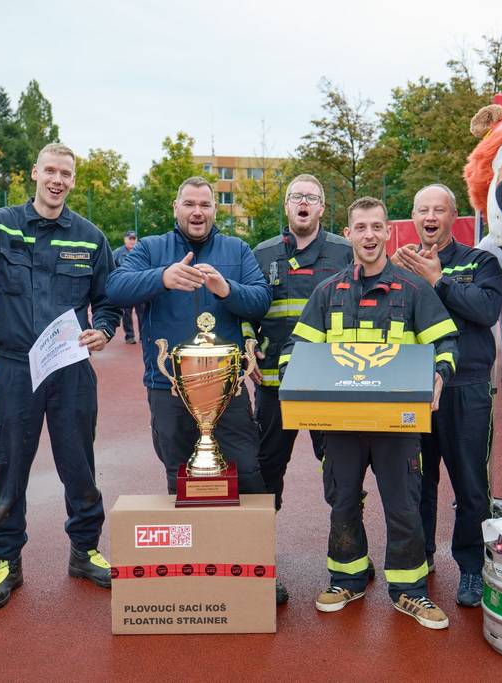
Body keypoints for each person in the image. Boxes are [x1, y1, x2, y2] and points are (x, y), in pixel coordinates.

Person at [0, 137, 121, 610]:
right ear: (35, 174)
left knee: (79, 464)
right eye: (50, 171)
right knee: (11, 464)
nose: (57, 180)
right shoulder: (3, 224)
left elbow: (107, 299)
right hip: (17, 369)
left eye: (66, 173)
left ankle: (85, 550)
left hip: (71, 368)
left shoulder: (90, 236)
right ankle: (7, 560)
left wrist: (103, 329)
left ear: (73, 181)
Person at [279, 197, 459, 630]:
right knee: (342, 501)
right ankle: (347, 578)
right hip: (341, 426)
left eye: (377, 226)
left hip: (397, 425)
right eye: (361, 228)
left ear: (388, 232)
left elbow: (446, 343)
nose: (370, 235)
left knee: (403, 505)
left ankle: (410, 589)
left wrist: (439, 376)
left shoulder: (414, 289)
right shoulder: (328, 292)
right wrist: (295, 380)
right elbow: (295, 350)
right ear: (349, 234)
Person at [106, 177, 278, 599]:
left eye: (205, 204)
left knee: (247, 471)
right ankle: (195, 570)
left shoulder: (237, 250)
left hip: (228, 387)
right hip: (167, 386)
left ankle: (256, 568)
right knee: (180, 475)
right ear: (176, 207)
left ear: (215, 210)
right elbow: (115, 288)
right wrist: (162, 277)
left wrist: (226, 289)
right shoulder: (150, 249)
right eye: (189, 204)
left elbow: (260, 301)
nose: (197, 212)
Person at [392, 183, 502, 607]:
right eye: (423, 210)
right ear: (414, 217)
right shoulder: (400, 263)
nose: (430, 217)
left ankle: (473, 567)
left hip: (466, 387)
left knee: (471, 484)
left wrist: (437, 280)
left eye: (439, 210)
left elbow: (486, 311)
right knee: (415, 482)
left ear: (453, 216)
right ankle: (419, 556)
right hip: (415, 387)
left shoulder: (481, 261)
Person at [246, 173, 351, 510]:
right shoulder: (262, 254)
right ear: (286, 206)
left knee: (339, 467)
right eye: (296, 197)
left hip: (330, 382)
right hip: (274, 380)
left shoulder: (345, 252)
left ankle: (346, 536)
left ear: (322, 208)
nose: (303, 202)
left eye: (311, 197)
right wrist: (248, 343)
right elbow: (246, 311)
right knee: (267, 464)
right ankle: (260, 538)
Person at [111, 230, 141, 344]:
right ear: (125, 239)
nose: (132, 241)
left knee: (142, 313)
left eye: (134, 238)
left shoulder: (142, 250)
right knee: (126, 314)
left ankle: (144, 336)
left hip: (140, 287)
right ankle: (129, 336)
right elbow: (111, 267)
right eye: (130, 238)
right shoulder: (117, 253)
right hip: (126, 288)